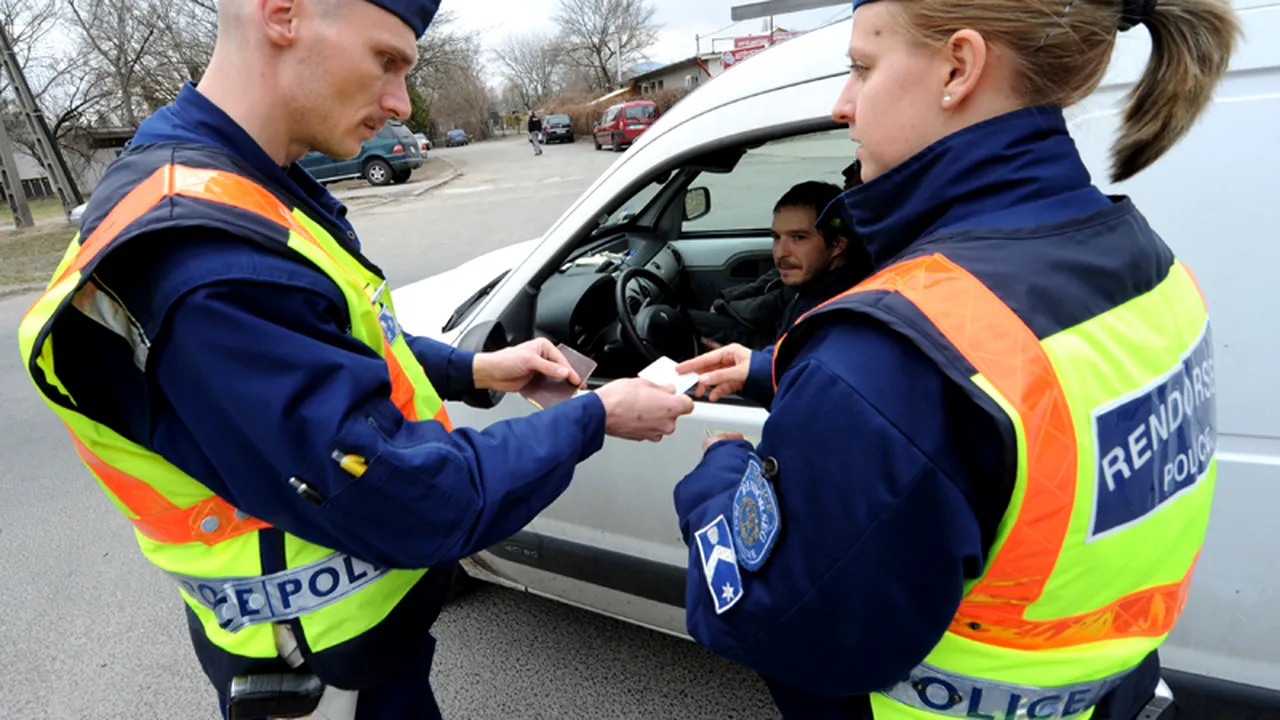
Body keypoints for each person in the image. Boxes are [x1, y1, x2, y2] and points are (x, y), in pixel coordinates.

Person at [16, 0, 694, 718]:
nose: (402, 104)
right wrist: (595, 415)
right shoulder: (206, 261)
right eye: (387, 61)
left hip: (354, 647)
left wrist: (474, 371)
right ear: (282, 14)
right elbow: (412, 501)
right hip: (318, 679)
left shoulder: (231, 177)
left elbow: (342, 342)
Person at [671, 0, 1237, 717]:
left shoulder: (886, 356)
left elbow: (770, 623)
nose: (843, 105)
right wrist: (770, 367)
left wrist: (717, 476)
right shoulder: (1147, 266)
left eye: (862, 67)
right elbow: (1016, 402)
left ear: (959, 67)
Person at [693, 181, 871, 350]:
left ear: (838, 245)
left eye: (799, 238)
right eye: (777, 237)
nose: (781, 252)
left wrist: (739, 361)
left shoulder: (834, 308)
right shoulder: (812, 278)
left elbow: (788, 366)